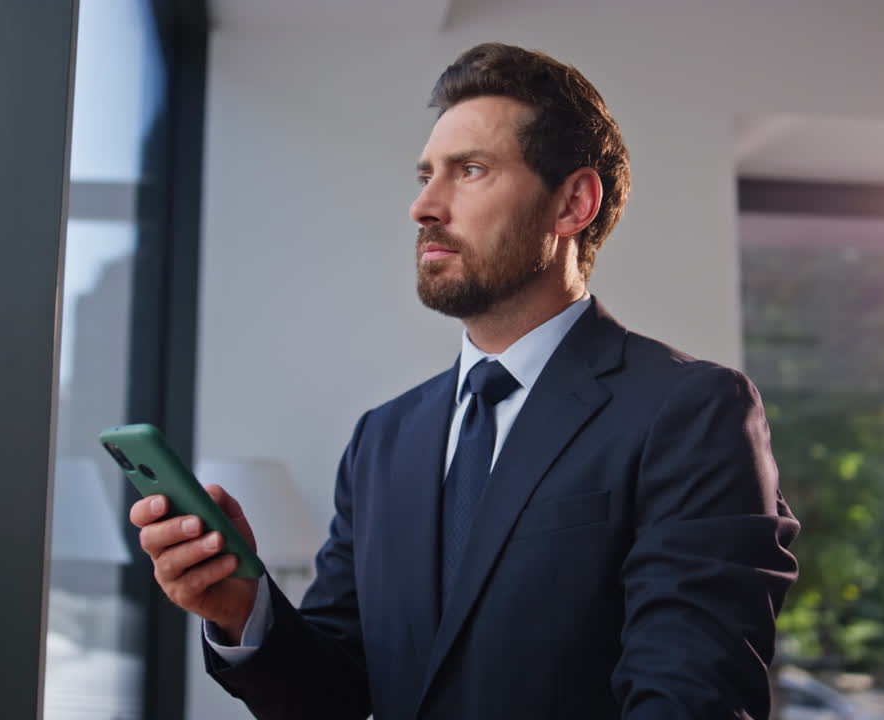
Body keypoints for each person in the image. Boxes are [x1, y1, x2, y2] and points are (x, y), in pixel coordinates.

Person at [130, 42, 799, 719]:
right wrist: (243, 606)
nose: (423, 206)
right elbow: (332, 694)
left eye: (469, 170)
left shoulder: (691, 411)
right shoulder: (382, 440)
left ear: (573, 203)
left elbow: (690, 702)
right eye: (425, 176)